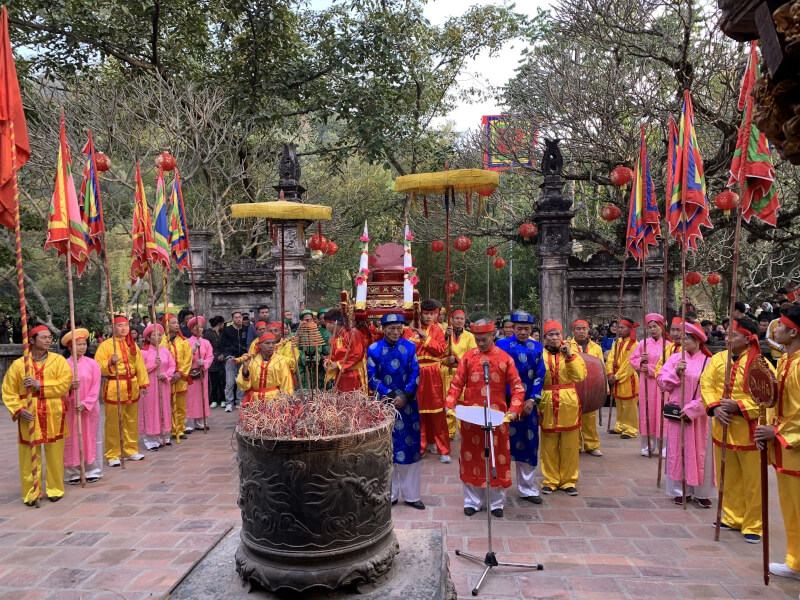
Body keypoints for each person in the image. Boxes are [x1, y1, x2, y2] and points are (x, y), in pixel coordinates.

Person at [702, 317, 775, 544]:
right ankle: (732, 516)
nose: (726, 339)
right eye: (725, 334)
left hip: (750, 431)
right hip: (722, 427)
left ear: (747, 337)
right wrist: (715, 408)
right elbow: (707, 384)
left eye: (732, 335)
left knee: (753, 482)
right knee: (728, 476)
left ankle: (754, 524)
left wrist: (740, 406)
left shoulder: (761, 364)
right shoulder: (717, 360)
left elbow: (769, 398)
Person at [446, 318, 525, 517]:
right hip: (472, 416)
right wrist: (449, 404)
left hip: (497, 417)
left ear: (493, 335)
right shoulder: (467, 357)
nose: (480, 343)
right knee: (471, 457)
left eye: (484, 339)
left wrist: (514, 410)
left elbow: (517, 387)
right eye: (477, 339)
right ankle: (472, 500)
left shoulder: (505, 358)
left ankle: (497, 502)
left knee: (497, 457)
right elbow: (456, 384)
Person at [2, 325, 72, 504]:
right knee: (28, 457)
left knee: (55, 455)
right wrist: (19, 410)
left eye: (49, 337)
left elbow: (64, 384)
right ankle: (31, 493)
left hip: (53, 413)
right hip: (29, 416)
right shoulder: (19, 365)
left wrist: (40, 385)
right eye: (43, 337)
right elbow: (8, 392)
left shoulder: (58, 361)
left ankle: (55, 489)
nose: (48, 340)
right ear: (31, 340)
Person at [756, 306, 800, 579]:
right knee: (791, 508)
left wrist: (778, 432)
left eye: (780, 327)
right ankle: (796, 560)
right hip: (785, 448)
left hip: (794, 444)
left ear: (793, 331)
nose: (775, 331)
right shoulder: (785, 360)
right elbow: (775, 402)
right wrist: (767, 427)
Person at [366, 313, 424, 509]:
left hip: (407, 405)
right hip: (384, 405)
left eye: (398, 328)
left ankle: (412, 495)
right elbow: (371, 378)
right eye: (391, 328)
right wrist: (390, 396)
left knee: (410, 448)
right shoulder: (373, 349)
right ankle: (388, 495)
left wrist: (406, 395)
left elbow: (415, 372)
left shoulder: (410, 347)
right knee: (386, 449)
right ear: (383, 329)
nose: (395, 331)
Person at [657, 322, 714, 507]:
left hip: (699, 416)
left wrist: (694, 408)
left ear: (698, 341)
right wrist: (675, 373)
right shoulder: (675, 359)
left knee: (700, 452)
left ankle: (701, 492)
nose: (683, 341)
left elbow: (713, 389)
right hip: (677, 413)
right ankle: (680, 490)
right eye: (683, 338)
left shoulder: (708, 362)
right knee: (678, 451)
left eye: (687, 338)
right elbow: (662, 383)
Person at [496, 310, 546, 503]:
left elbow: (540, 375)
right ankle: (499, 488)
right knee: (501, 446)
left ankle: (528, 489)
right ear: (513, 328)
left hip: (528, 406)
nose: (523, 332)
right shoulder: (501, 345)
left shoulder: (537, 347)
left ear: (532, 329)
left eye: (526, 329)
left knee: (529, 445)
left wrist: (532, 400)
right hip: (505, 404)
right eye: (519, 328)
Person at [537, 320, 587, 496]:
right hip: (547, 402)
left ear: (562, 335)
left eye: (557, 334)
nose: (554, 337)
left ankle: (568, 480)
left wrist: (570, 356)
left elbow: (579, 376)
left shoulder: (573, 354)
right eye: (550, 334)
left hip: (568, 403)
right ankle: (550, 480)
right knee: (548, 445)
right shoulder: (539, 355)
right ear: (545, 337)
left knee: (570, 445)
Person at [95, 316, 149, 466]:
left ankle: (130, 449)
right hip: (114, 386)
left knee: (131, 420)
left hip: (132, 385)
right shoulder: (106, 346)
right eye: (120, 325)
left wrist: (143, 384)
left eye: (126, 325)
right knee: (113, 422)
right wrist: (110, 363)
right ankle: (113, 454)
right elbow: (98, 367)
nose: (124, 328)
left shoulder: (132, 345)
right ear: (113, 328)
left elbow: (140, 365)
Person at [404, 299, 450, 462]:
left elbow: (440, 350)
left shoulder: (437, 330)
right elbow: (409, 350)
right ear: (420, 313)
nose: (429, 317)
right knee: (419, 411)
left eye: (432, 314)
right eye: (426, 313)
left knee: (437, 411)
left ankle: (443, 449)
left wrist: (424, 336)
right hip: (416, 373)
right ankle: (420, 446)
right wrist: (422, 338)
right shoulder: (409, 330)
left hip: (433, 373)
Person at [62, 328, 103, 483]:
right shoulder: (64, 365)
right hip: (70, 408)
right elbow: (60, 387)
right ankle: (73, 472)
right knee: (70, 440)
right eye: (78, 344)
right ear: (70, 347)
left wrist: (86, 404)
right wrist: (69, 390)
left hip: (89, 409)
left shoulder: (93, 364)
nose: (82, 347)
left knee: (90, 437)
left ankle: (92, 469)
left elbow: (95, 386)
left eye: (84, 344)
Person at [629, 313, 667, 457]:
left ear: (661, 327)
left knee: (661, 413)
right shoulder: (643, 344)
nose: (652, 330)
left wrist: (650, 369)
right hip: (646, 384)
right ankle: (647, 447)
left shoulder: (668, 346)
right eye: (650, 327)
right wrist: (640, 360)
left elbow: (669, 365)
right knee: (647, 413)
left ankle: (664, 448)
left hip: (661, 384)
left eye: (655, 326)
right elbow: (632, 360)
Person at [569, 319, 604, 456]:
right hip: (574, 386)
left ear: (588, 330)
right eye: (578, 329)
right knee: (574, 416)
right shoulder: (567, 346)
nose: (582, 331)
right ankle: (575, 445)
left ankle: (592, 445)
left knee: (590, 418)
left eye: (584, 329)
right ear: (573, 331)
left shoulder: (596, 348)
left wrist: (603, 389)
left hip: (592, 387)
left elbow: (602, 369)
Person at [441, 309, 476, 439]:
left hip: (462, 373)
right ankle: (448, 432)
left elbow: (472, 354)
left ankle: (464, 431)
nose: (459, 321)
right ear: (451, 320)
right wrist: (445, 337)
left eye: (462, 319)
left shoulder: (469, 336)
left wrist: (457, 359)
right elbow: (438, 350)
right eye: (457, 318)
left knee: (462, 402)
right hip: (446, 371)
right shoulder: (445, 334)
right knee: (447, 401)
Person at [139, 324, 174, 451]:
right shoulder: (143, 352)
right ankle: (151, 440)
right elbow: (140, 370)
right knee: (151, 410)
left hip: (163, 385)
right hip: (149, 386)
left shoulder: (165, 350)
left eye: (160, 335)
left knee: (164, 408)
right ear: (148, 337)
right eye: (155, 335)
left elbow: (172, 365)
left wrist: (166, 375)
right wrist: (154, 365)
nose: (158, 337)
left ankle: (164, 436)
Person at [605, 317, 639, 439]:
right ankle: (620, 425)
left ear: (630, 329)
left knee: (629, 405)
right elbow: (610, 359)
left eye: (622, 328)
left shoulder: (635, 344)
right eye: (619, 327)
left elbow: (629, 364)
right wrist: (609, 373)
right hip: (615, 377)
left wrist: (617, 376)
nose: (619, 330)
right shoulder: (617, 342)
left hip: (627, 378)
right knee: (619, 403)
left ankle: (631, 429)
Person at [236, 332, 294, 404]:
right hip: (253, 400)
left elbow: (286, 385)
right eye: (267, 343)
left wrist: (285, 403)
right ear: (259, 345)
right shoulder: (251, 360)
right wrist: (245, 367)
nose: (271, 346)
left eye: (273, 343)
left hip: (274, 400)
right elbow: (243, 386)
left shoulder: (281, 361)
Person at [162, 314, 192, 439]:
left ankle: (179, 429)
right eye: (173, 323)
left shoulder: (183, 341)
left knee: (180, 406)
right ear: (166, 324)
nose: (176, 325)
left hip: (180, 377)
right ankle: (168, 429)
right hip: (166, 379)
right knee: (166, 405)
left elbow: (188, 358)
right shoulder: (161, 340)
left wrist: (180, 372)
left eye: (177, 323)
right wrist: (169, 373)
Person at [323, 309, 367, 392]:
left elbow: (357, 354)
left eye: (326, 323)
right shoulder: (333, 339)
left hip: (354, 374)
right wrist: (328, 360)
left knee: (353, 400)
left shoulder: (353, 334)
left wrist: (339, 364)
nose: (326, 326)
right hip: (340, 374)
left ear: (333, 323)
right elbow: (333, 355)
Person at [185, 316, 213, 432]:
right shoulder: (186, 342)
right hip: (190, 373)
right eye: (197, 327)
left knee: (202, 396)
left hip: (202, 372)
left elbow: (210, 356)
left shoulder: (206, 342)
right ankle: (189, 423)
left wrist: (205, 362)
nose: (200, 329)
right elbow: (184, 358)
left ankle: (201, 421)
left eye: (201, 327)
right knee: (190, 398)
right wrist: (192, 350)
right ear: (192, 329)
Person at [220, 311, 248, 412]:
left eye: (240, 317)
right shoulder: (227, 330)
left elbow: (247, 343)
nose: (238, 319)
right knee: (230, 382)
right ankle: (229, 403)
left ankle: (239, 401)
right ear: (232, 319)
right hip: (231, 358)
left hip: (242, 358)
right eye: (236, 318)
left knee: (241, 381)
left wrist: (246, 354)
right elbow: (223, 344)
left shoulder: (246, 329)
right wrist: (227, 356)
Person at [204, 316, 226, 408]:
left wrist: (223, 354)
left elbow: (225, 345)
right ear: (219, 324)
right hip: (212, 360)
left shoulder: (222, 333)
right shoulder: (208, 334)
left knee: (222, 381)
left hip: (221, 360)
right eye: (222, 323)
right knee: (213, 381)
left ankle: (223, 399)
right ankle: (213, 400)